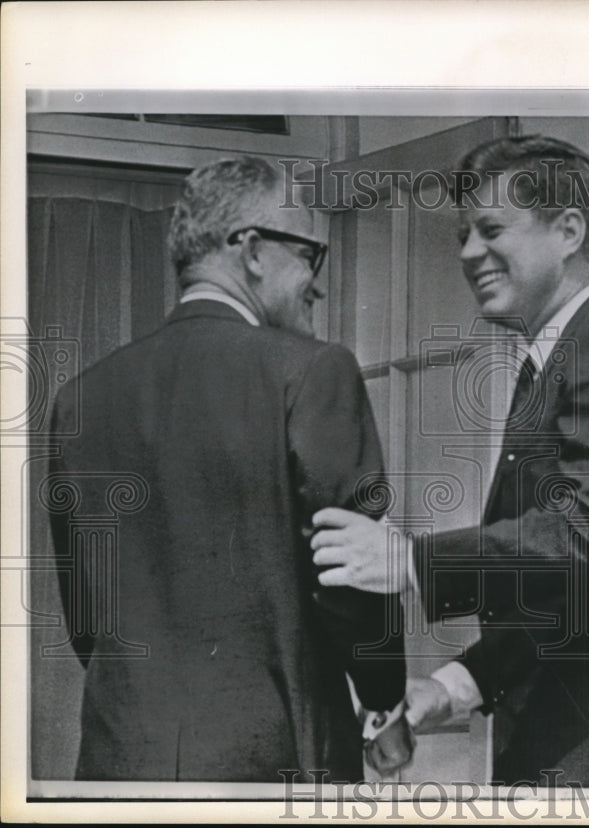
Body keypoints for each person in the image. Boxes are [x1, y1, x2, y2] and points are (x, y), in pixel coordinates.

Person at [311, 135, 589, 787]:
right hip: (577, 766)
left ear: (569, 230)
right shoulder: (562, 357)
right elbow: (577, 603)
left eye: (491, 228)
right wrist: (456, 684)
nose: (470, 253)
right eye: (463, 235)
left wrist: (410, 561)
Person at [46, 156, 409, 782]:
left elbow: (88, 621)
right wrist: (383, 703)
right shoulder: (314, 371)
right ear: (253, 250)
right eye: (310, 255)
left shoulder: (82, 397)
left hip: (119, 766)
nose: (316, 283)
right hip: (275, 768)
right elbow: (352, 578)